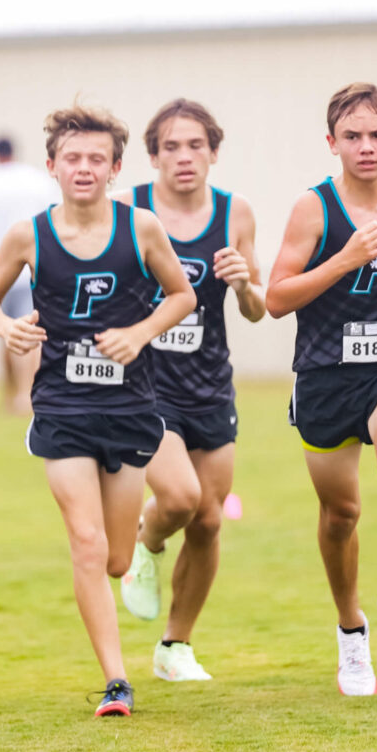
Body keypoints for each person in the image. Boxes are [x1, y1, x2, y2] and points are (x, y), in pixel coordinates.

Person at [0, 104, 195, 717]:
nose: (84, 168)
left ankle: (145, 545)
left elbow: (182, 294)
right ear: (51, 165)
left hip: (129, 407)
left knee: (118, 556)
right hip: (62, 407)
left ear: (116, 167)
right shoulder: (29, 235)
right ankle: (117, 681)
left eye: (97, 158)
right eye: (73, 158)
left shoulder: (141, 228)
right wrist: (8, 327)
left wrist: (140, 333)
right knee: (87, 543)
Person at [265, 82, 377, 697]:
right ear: (332, 143)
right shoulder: (313, 210)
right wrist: (342, 260)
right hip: (323, 378)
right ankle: (351, 631)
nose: (365, 147)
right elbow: (275, 300)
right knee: (340, 514)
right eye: (352, 136)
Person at [114, 99, 266, 682]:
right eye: (171, 146)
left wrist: (245, 282)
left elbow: (257, 309)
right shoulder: (129, 209)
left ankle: (175, 646)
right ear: (152, 156)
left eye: (195, 145)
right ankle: (146, 541)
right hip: (145, 387)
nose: (184, 157)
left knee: (208, 520)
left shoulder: (235, 214)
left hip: (210, 387)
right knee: (180, 500)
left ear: (214, 153)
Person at [0, 136, 61, 414]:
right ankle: (24, 393)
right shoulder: (38, 181)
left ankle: (18, 394)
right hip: (34, 266)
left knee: (5, 331)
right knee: (29, 330)